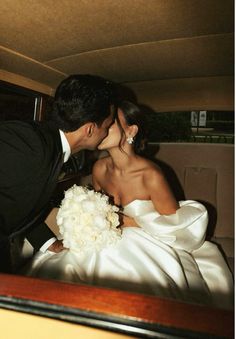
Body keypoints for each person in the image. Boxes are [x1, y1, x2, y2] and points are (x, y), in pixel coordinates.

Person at [25, 101, 233, 309]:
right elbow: (98, 208)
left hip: (146, 238)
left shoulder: (150, 175)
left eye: (111, 122)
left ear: (131, 130)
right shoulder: (99, 168)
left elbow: (176, 225)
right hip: (105, 236)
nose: (102, 125)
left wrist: (127, 221)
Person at [0, 74, 116, 273]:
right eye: (107, 126)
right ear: (89, 129)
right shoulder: (28, 144)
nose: (107, 132)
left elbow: (16, 199)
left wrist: (47, 242)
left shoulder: (52, 146)